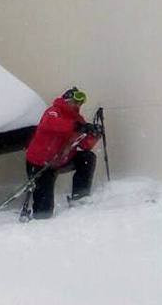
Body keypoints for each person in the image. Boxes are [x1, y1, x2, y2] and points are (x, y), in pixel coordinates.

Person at [24, 86, 103, 219]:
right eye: (75, 102)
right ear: (66, 100)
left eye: (80, 103)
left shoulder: (78, 119)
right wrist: (77, 127)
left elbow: (84, 145)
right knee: (44, 211)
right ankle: (38, 222)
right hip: (41, 164)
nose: (78, 106)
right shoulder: (53, 112)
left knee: (87, 157)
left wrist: (94, 135)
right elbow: (52, 124)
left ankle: (79, 197)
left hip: (61, 160)